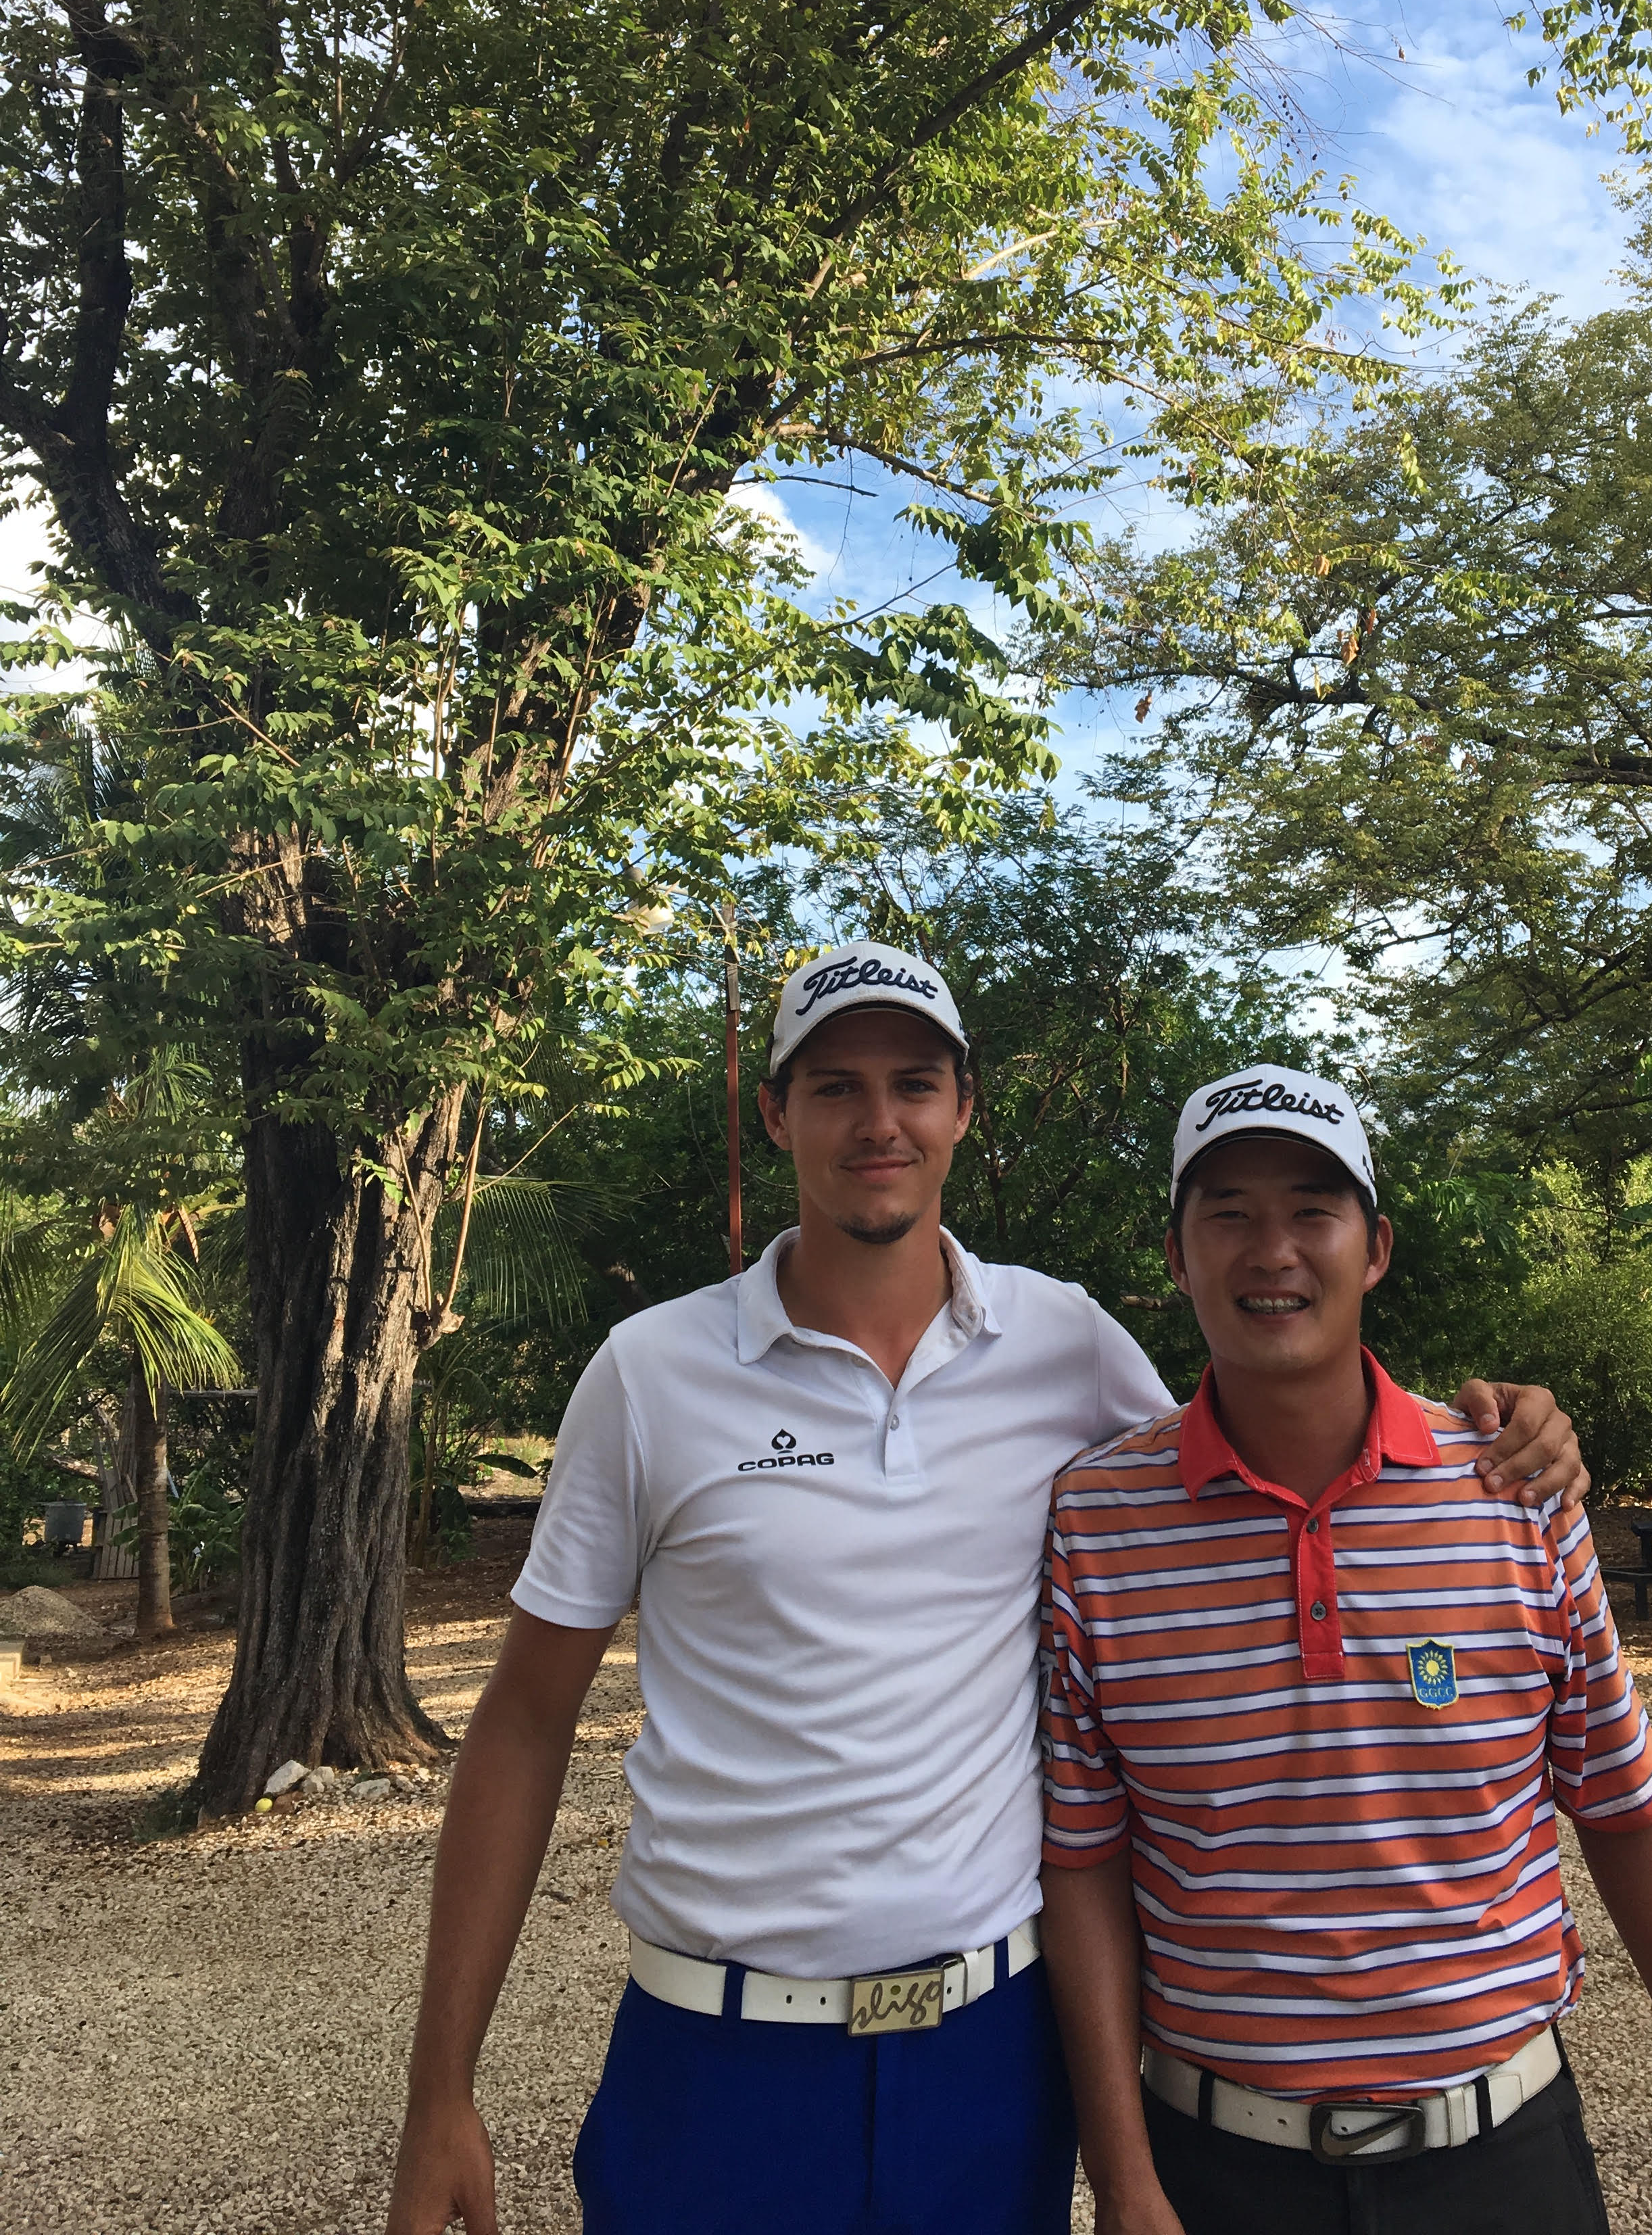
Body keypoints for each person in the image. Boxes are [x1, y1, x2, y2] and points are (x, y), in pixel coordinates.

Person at [384, 952, 1590, 2235]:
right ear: (776, 1115)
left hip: (988, 2056)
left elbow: (1253, 1456)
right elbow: (521, 1724)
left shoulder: (1062, 1345)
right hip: (715, 2053)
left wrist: (1503, 1433)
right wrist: (440, 2086)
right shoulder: (651, 1374)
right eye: (836, 1086)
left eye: (915, 1082)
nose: (879, 1122)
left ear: (964, 1107)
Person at [1038, 1062, 1652, 2235]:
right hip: (1216, 2166)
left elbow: (1625, 1804)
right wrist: (1123, 2180)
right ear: (1178, 1257)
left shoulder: (1514, 1491)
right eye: (1226, 1213)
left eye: (1310, 1211)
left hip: (1502, 2160)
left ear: (1373, 1247)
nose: (1271, 1250)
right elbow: (1082, 1859)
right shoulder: (1096, 1523)